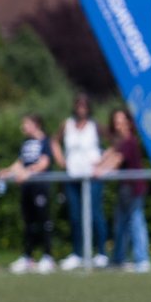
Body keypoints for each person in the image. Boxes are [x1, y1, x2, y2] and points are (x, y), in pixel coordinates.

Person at [51, 93, 110, 270]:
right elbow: (54, 141)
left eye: (84, 105)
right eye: (79, 105)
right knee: (75, 216)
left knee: (94, 214)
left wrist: (102, 161)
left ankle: (101, 253)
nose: (81, 108)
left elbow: (115, 143)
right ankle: (78, 253)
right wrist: (61, 160)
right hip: (72, 176)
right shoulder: (67, 124)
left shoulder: (95, 125)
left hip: (92, 177)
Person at [0, 113, 55, 274]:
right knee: (28, 223)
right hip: (27, 188)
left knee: (44, 221)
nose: (23, 127)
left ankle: (47, 256)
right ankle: (28, 256)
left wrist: (28, 173)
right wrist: (7, 171)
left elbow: (44, 162)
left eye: (26, 124)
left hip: (40, 187)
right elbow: (20, 163)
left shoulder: (45, 141)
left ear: (36, 124)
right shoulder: (26, 142)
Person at [94, 107, 151, 273]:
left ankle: (142, 259)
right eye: (116, 122)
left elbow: (116, 160)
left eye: (121, 122)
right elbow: (108, 156)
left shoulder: (129, 141)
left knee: (136, 222)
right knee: (120, 224)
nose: (118, 125)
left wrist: (101, 171)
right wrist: (96, 166)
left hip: (134, 189)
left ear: (128, 123)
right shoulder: (120, 143)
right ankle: (119, 258)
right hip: (125, 189)